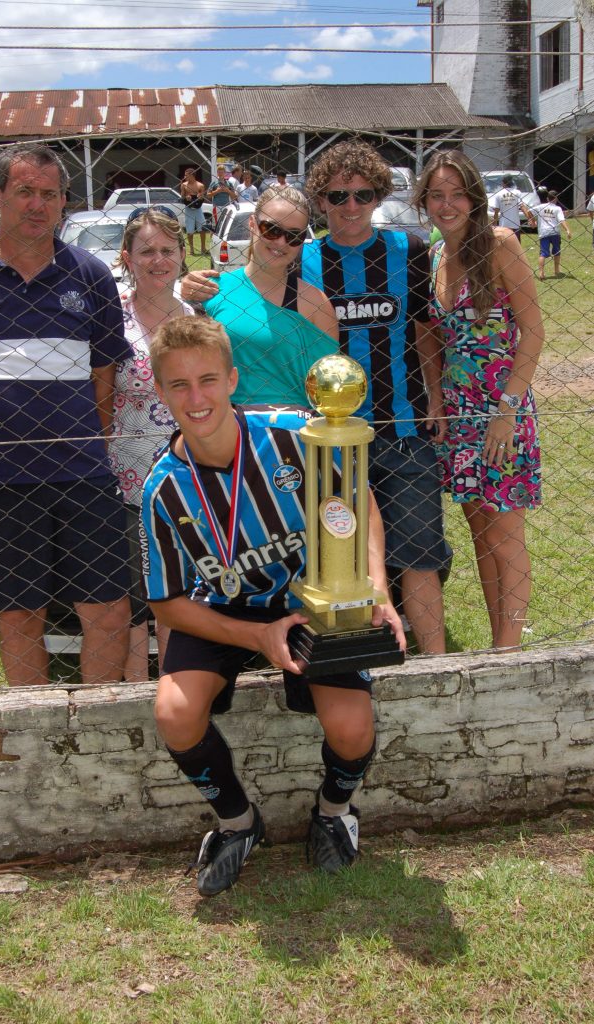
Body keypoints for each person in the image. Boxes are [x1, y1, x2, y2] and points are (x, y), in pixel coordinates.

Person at [140, 315, 405, 896]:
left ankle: (333, 812)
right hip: (224, 612)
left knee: (352, 728)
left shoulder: (295, 433)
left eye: (208, 380)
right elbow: (169, 604)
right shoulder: (162, 488)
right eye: (179, 385)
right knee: (175, 713)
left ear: (233, 379)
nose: (196, 398)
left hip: (312, 601)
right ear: (160, 392)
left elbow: (359, 503)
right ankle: (238, 823)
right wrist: (258, 637)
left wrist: (375, 586)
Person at [181, 141, 448, 655]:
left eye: (363, 194)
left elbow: (423, 330)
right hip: (308, 441)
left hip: (399, 425)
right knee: (315, 549)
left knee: (417, 550)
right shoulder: (303, 261)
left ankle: (433, 660)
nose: (351, 205)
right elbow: (233, 313)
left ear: (379, 197)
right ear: (322, 201)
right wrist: (188, 284)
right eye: (339, 195)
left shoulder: (409, 251)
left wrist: (434, 397)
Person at [0, 142, 132, 687]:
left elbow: (104, 370)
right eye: (25, 191)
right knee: (19, 617)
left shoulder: (91, 275)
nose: (38, 205)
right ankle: (34, 724)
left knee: (108, 611)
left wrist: (97, 433)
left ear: (63, 202)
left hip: (83, 475)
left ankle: (99, 724)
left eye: (50, 194)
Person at [413, 150, 544, 650]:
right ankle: (497, 644)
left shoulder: (500, 245)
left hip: (503, 411)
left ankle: (509, 652)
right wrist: (436, 399)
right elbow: (428, 337)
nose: (447, 205)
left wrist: (506, 412)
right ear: (424, 201)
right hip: (459, 414)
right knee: (481, 536)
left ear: (474, 198)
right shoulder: (433, 258)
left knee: (506, 537)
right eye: (436, 195)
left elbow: (533, 332)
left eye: (457, 194)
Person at [109, 207, 194, 681]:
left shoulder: (198, 317)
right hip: (126, 476)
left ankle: (174, 679)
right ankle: (134, 687)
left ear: (182, 254)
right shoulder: (111, 317)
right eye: (146, 251)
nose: (158, 260)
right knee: (132, 592)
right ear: (127, 257)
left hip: (186, 478)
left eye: (167, 250)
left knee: (176, 587)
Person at [201, 186, 339, 407]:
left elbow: (328, 389)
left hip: (294, 424)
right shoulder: (212, 291)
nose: (281, 242)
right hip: (227, 422)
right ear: (252, 224)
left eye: (294, 236)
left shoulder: (315, 304)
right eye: (271, 229)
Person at [532, 190, 572, 280]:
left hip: (544, 232)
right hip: (555, 233)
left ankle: (541, 273)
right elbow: (561, 220)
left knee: (543, 253)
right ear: (556, 198)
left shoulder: (541, 207)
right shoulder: (557, 208)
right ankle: (556, 270)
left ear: (547, 198)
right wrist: (567, 230)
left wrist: (532, 220)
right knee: (557, 251)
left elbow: (529, 211)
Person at [179, 168, 207, 257]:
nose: (185, 177)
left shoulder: (200, 185)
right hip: (188, 209)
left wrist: (200, 197)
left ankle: (203, 248)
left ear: (192, 175)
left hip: (198, 209)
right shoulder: (184, 185)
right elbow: (181, 197)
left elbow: (203, 198)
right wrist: (186, 198)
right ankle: (191, 250)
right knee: (189, 230)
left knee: (202, 228)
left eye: (186, 175)